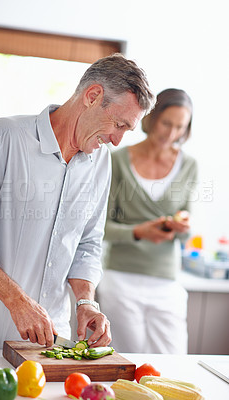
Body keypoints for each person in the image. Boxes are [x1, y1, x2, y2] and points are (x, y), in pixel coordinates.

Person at [0, 53, 155, 349]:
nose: (117, 141)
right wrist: (17, 301)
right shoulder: (4, 138)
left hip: (49, 348)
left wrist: (85, 302)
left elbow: (88, 243)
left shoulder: (101, 161)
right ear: (92, 96)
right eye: (118, 124)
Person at [97, 88, 197, 354]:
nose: (171, 133)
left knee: (173, 364)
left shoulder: (189, 166)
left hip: (165, 280)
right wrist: (138, 232)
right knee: (126, 363)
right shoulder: (117, 160)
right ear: (151, 118)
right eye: (167, 123)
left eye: (180, 127)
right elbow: (101, 226)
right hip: (120, 278)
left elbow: (186, 229)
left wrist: (183, 227)